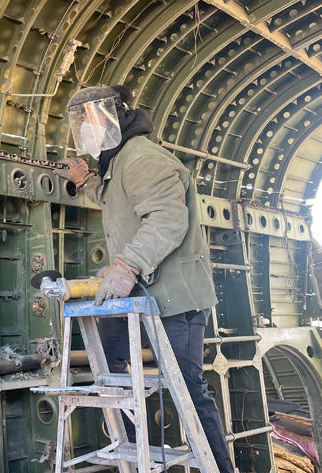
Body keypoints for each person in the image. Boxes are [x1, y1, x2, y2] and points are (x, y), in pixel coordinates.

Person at [58, 84, 236, 473]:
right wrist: (88, 180)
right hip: (141, 296)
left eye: (89, 120)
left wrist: (126, 265)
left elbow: (168, 218)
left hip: (175, 298)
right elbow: (118, 202)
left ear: (113, 118)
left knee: (189, 390)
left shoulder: (141, 158)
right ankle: (139, 460)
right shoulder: (121, 163)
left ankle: (219, 468)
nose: (85, 130)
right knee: (106, 362)